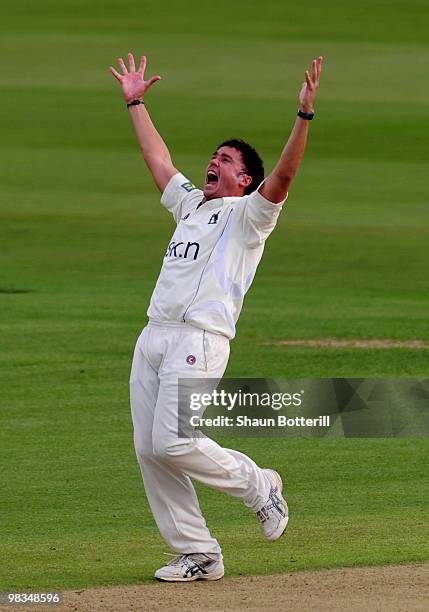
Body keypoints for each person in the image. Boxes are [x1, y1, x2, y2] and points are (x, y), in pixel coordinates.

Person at [110, 52, 323, 582]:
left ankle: (260, 486)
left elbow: (286, 174)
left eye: (226, 159)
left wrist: (303, 117)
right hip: (154, 334)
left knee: (174, 441)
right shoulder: (191, 205)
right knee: (150, 450)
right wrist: (136, 102)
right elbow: (158, 161)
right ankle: (200, 553)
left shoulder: (250, 216)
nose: (214, 162)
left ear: (244, 178)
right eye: (215, 156)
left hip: (201, 339)